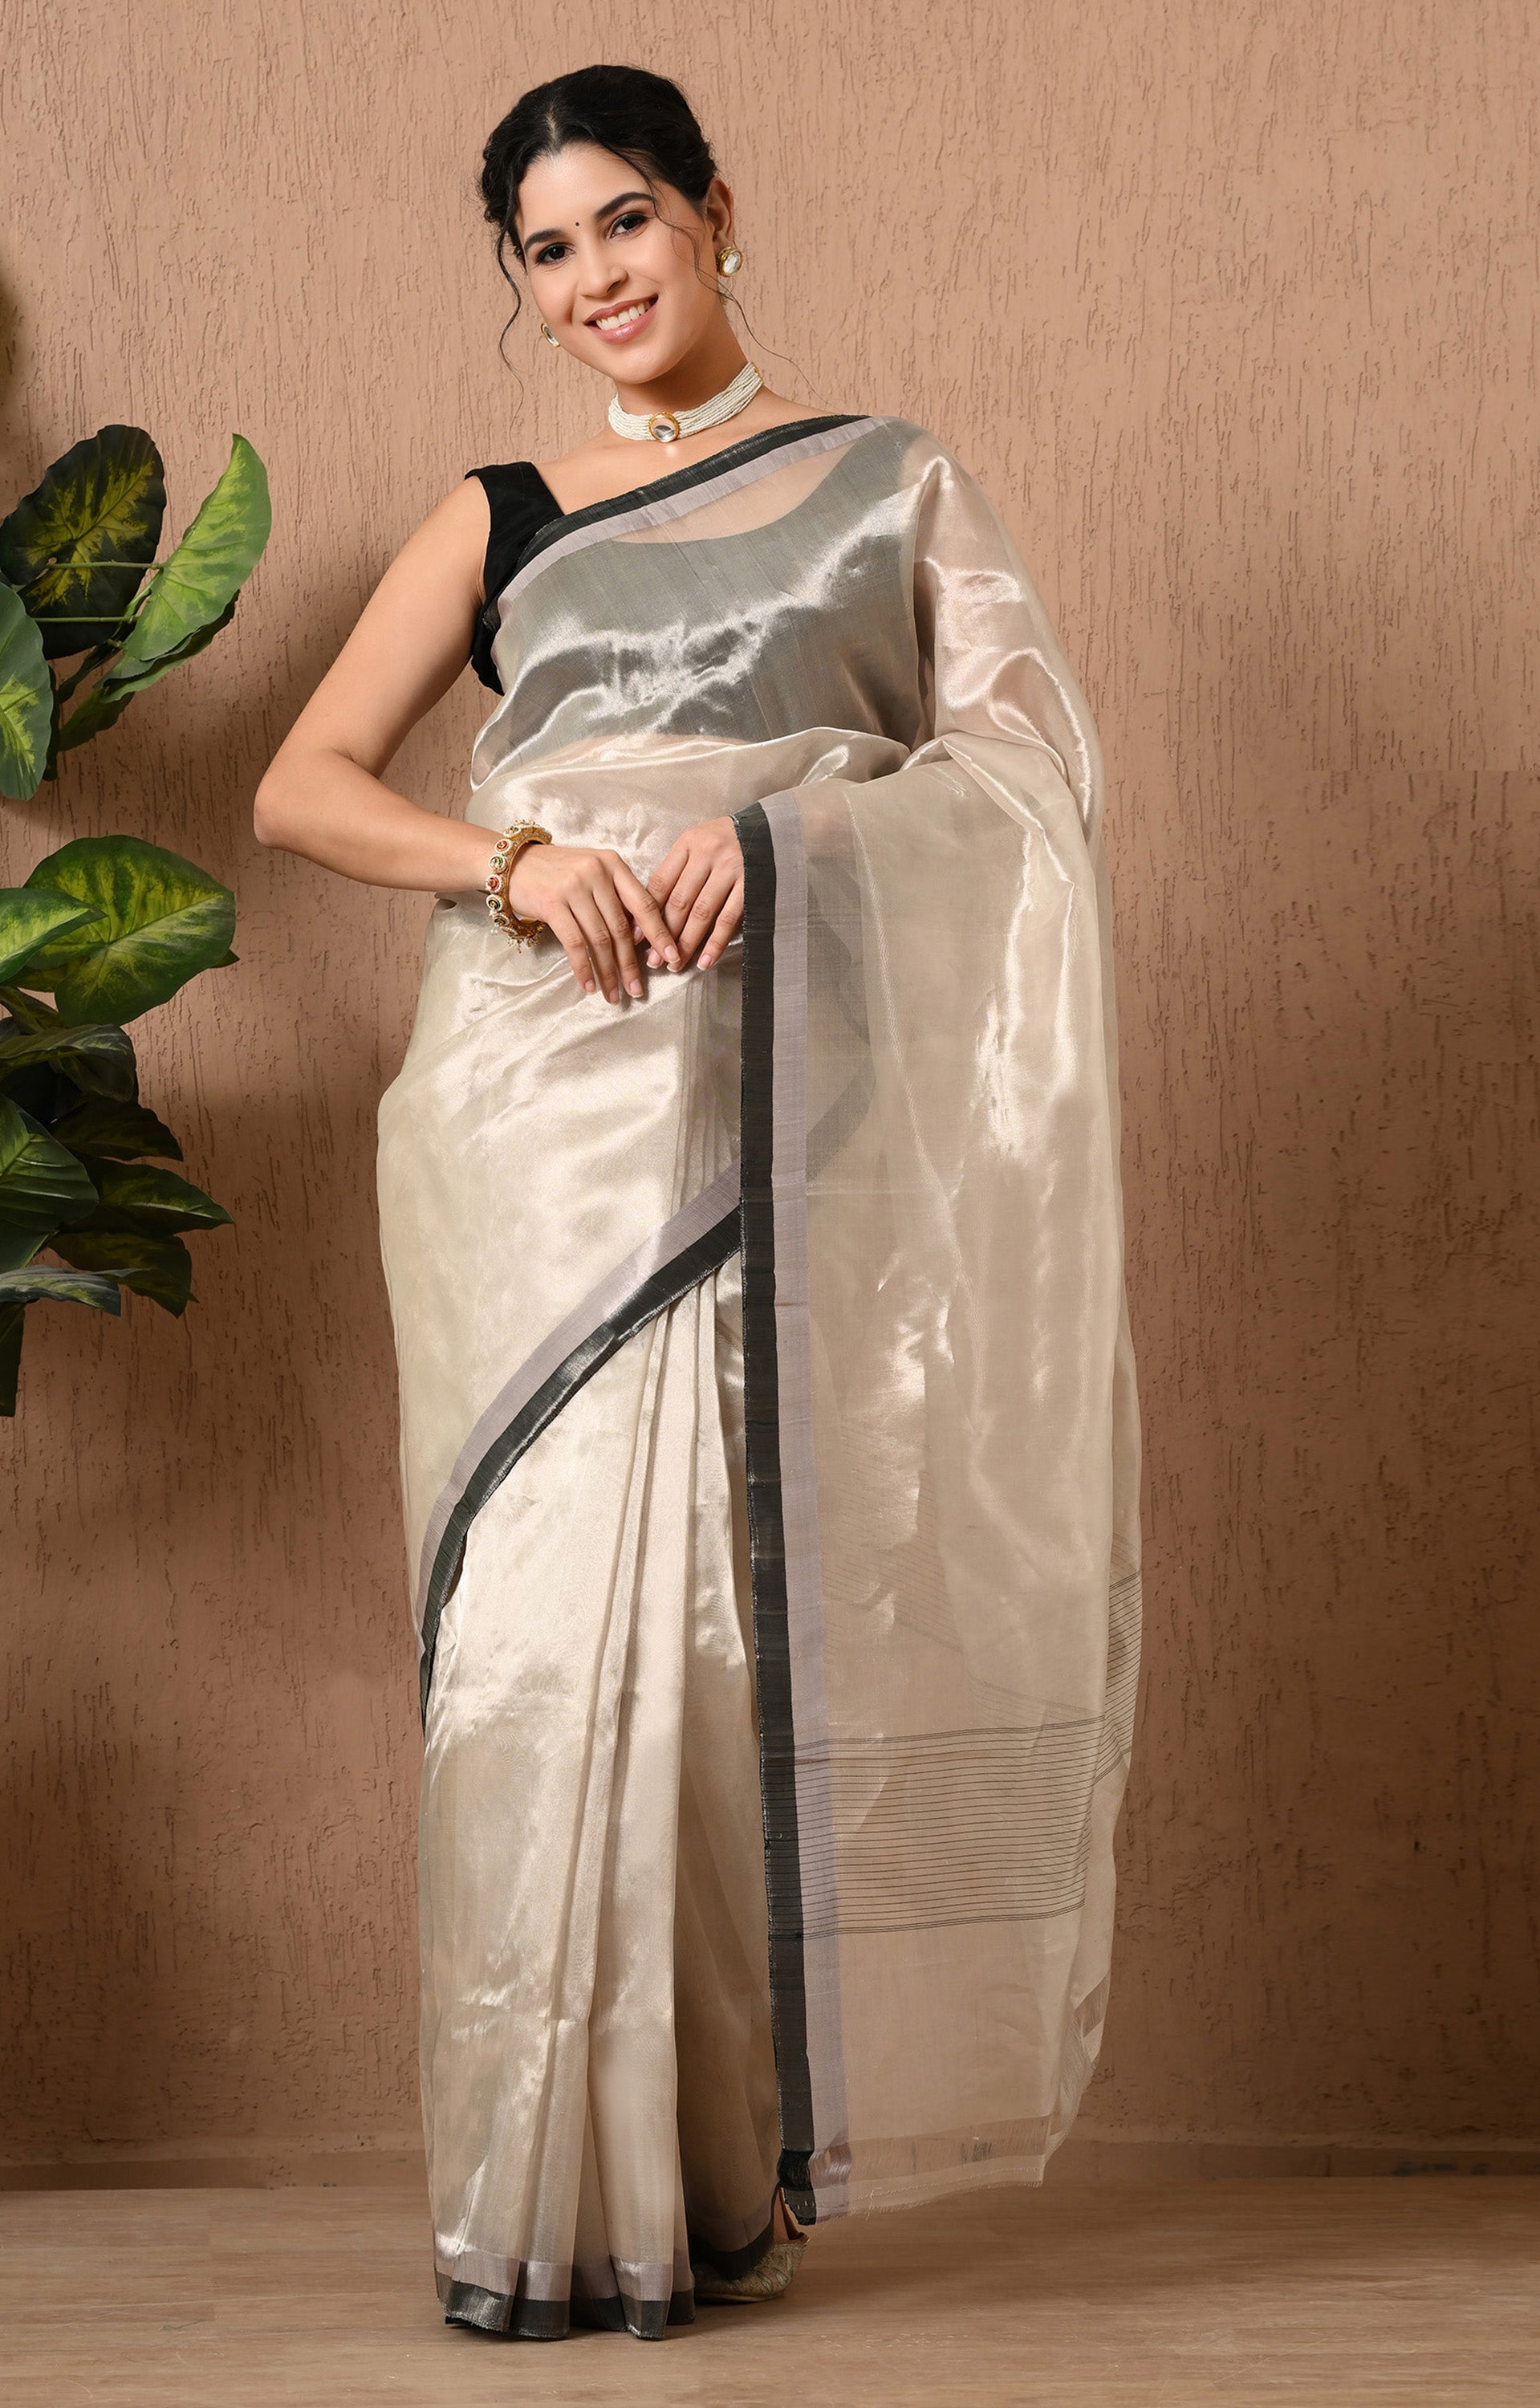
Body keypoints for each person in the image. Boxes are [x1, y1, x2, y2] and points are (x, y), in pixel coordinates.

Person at [254, 62, 1143, 2345]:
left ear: (717, 213)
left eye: (626, 220)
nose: (596, 280)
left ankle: (688, 2190)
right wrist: (522, 862)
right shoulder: (499, 513)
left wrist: (775, 841)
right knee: (542, 1645)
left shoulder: (886, 482)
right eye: (547, 250)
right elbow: (304, 786)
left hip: (760, 1097)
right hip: (526, 1107)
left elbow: (1023, 769)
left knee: (711, 1631)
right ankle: (531, 2196)